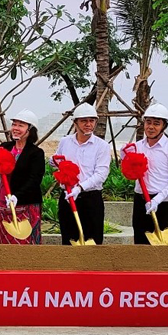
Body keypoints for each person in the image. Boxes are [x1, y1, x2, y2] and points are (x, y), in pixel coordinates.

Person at [0, 109, 45, 244]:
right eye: (14, 125)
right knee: (2, 244)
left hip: (25, 205)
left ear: (30, 130)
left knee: (24, 243)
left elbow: (34, 179)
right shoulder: (6, 147)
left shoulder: (36, 153)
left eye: (21, 125)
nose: (16, 128)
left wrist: (17, 196)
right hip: (3, 203)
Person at [51, 104, 111, 245]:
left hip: (90, 199)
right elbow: (56, 159)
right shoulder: (65, 142)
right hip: (67, 197)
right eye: (84, 121)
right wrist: (53, 161)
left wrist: (80, 187)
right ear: (75, 122)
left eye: (91, 121)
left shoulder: (102, 146)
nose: (88, 124)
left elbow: (101, 173)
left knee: (93, 241)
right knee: (69, 239)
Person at [123, 103, 168, 244]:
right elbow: (130, 173)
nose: (151, 127)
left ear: (164, 126)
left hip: (162, 203)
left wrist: (158, 199)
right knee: (141, 243)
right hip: (141, 200)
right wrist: (125, 158)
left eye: (156, 124)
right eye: (148, 122)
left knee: (163, 250)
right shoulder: (137, 147)